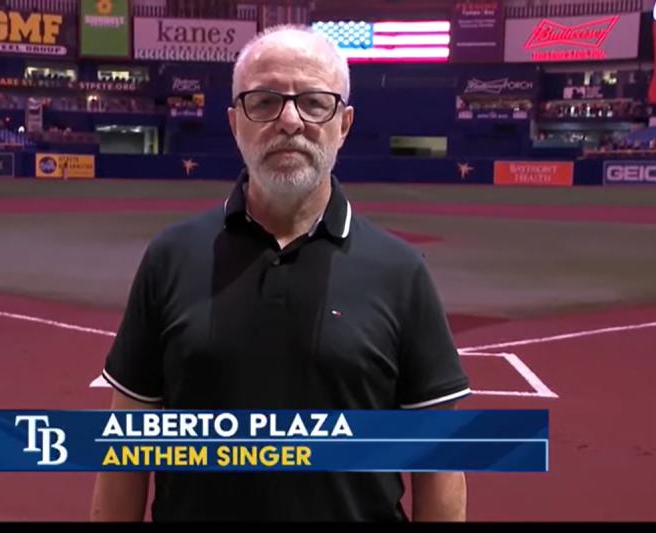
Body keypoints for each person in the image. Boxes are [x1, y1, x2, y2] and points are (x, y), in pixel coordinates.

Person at [90, 24, 470, 522]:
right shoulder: (171, 256)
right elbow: (127, 451)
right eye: (264, 101)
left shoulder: (401, 271)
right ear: (234, 122)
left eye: (315, 102)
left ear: (344, 123)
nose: (289, 120)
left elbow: (438, 464)